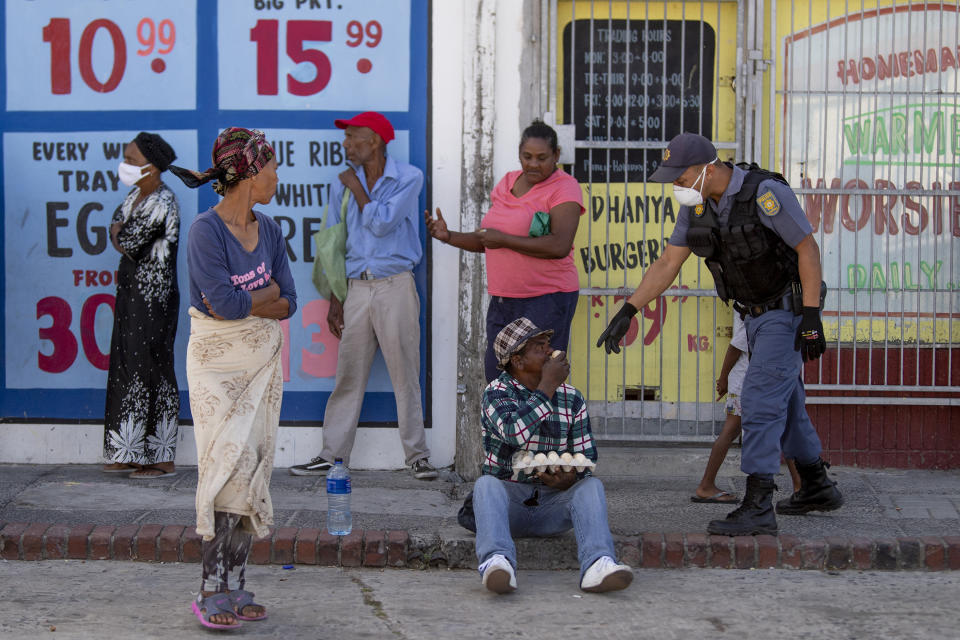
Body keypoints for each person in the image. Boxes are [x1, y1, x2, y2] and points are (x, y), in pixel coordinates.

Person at [596, 132, 843, 537]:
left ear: (706, 169)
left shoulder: (764, 193)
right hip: (753, 315)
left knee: (759, 402)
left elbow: (807, 249)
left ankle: (759, 504)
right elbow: (667, 263)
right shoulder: (696, 209)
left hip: (787, 310)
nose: (675, 185)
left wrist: (812, 314)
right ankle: (816, 485)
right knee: (788, 402)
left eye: (679, 176)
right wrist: (629, 309)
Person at [170, 127, 297, 629]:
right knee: (225, 468)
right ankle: (209, 590)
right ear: (248, 173)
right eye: (271, 166)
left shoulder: (269, 230)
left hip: (261, 362)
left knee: (254, 468)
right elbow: (221, 306)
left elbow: (289, 301)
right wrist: (258, 298)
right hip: (217, 367)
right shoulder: (206, 230)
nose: (277, 175)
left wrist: (253, 302)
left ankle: (237, 584)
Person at [289, 112, 437, 480]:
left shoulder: (408, 178)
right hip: (356, 287)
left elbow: (382, 223)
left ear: (375, 141)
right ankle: (332, 455)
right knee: (348, 375)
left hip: (395, 285)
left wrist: (356, 187)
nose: (346, 144)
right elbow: (339, 244)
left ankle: (416, 456)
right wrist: (338, 298)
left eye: (353, 137)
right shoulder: (340, 185)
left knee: (405, 373)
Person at [473, 317, 633, 594]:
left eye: (548, 345)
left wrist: (570, 479)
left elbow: (586, 457)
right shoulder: (497, 392)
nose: (550, 352)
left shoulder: (572, 397)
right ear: (518, 361)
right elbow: (514, 433)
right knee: (485, 485)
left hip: (552, 506)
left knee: (591, 486)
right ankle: (497, 563)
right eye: (539, 348)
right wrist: (546, 387)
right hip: (508, 506)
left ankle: (598, 564)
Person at [425, 120, 584, 382]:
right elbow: (489, 240)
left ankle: (540, 425)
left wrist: (505, 240)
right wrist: (449, 236)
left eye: (542, 158)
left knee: (536, 379)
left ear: (556, 155)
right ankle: (503, 426)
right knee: (498, 378)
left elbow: (559, 245)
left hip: (546, 298)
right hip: (503, 301)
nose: (533, 164)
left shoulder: (564, 187)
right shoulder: (507, 182)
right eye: (527, 157)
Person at [102, 132, 181, 479]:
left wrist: (120, 233)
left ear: (152, 167)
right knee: (126, 367)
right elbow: (118, 226)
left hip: (155, 299)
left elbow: (128, 239)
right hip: (131, 294)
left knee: (153, 368)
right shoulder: (134, 195)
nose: (126, 165)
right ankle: (128, 448)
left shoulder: (163, 201)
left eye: (132, 160)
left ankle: (159, 457)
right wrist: (120, 232)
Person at [692, 313, 801, 503]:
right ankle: (706, 485)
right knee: (736, 430)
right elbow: (737, 346)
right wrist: (723, 377)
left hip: (752, 379)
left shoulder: (752, 305)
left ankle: (800, 486)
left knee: (781, 427)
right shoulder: (750, 307)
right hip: (746, 381)